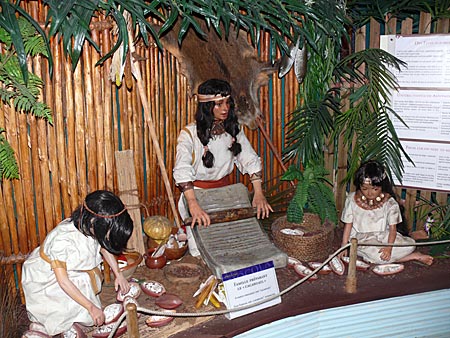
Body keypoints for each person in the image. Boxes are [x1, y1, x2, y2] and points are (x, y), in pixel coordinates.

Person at [173, 79, 272, 254]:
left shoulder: (234, 129)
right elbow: (182, 170)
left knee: (230, 247)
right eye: (218, 104)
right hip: (196, 195)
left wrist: (258, 193)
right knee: (201, 252)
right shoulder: (188, 134)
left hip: (226, 196)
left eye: (227, 102)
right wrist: (193, 204)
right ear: (206, 106)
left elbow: (249, 159)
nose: (225, 108)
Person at [21, 190, 133, 337]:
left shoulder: (91, 227)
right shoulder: (62, 240)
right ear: (95, 222)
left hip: (75, 274)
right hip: (49, 281)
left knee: (84, 300)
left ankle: (78, 315)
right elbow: (63, 281)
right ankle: (49, 322)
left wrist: (118, 274)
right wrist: (91, 307)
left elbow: (104, 248)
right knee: (61, 315)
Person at [340, 160, 433, 265]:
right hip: (362, 239)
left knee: (409, 245)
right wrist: (344, 246)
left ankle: (391, 254)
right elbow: (348, 224)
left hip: (384, 236)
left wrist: (389, 247)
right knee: (378, 257)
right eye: (364, 189)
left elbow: (393, 229)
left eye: (375, 189)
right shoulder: (352, 199)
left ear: (382, 186)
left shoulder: (390, 203)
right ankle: (413, 256)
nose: (369, 193)